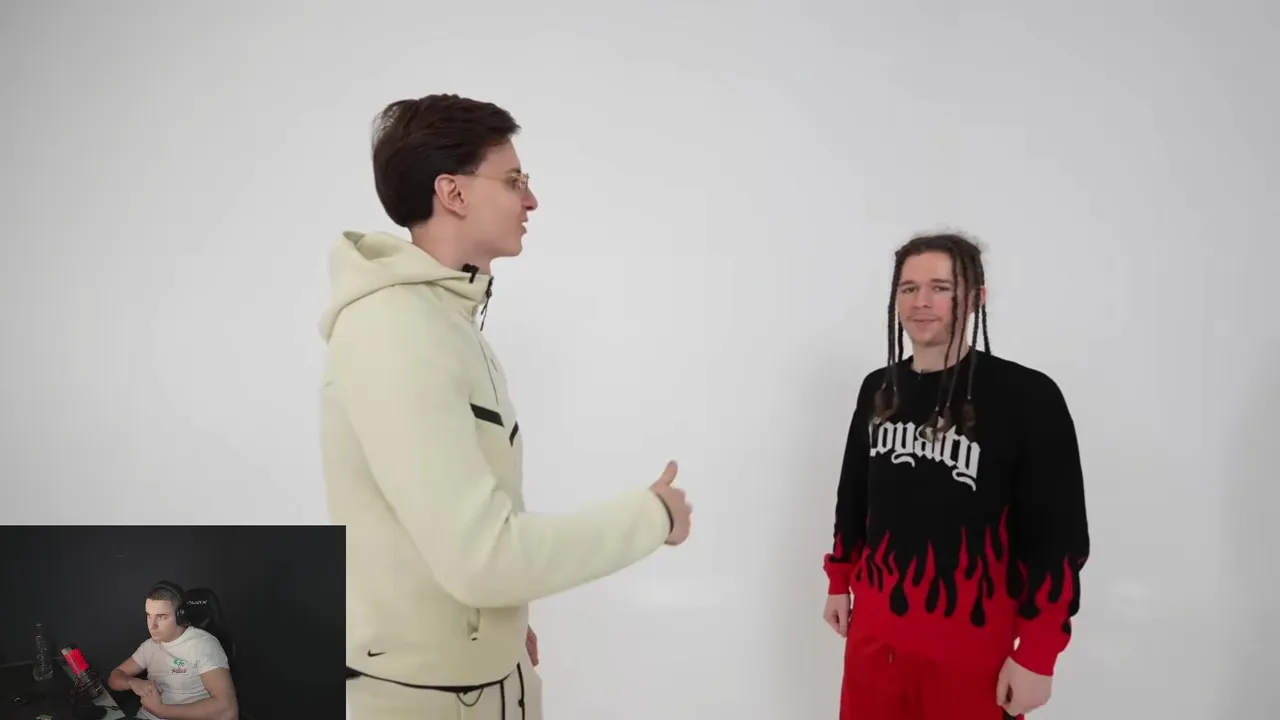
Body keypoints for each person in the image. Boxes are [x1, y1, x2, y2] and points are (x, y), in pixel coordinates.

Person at [320, 93, 694, 720]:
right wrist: (652, 517)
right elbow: (483, 559)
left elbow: (460, 533)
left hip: (483, 683)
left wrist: (500, 629)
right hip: (431, 701)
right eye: (514, 180)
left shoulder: (447, 324)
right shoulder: (394, 331)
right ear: (453, 193)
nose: (531, 200)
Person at [821, 232, 1090, 720]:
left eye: (940, 288)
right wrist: (839, 577)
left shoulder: (1028, 396)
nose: (921, 301)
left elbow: (1058, 537)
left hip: (971, 650)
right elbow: (854, 492)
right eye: (908, 288)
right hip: (875, 640)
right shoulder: (878, 389)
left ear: (976, 297)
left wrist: (1038, 653)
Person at [106, 581, 238, 720]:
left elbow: (228, 710)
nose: (152, 626)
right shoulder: (150, 645)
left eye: (162, 617)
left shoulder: (203, 645)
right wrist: (132, 682)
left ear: (181, 616)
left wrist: (162, 710)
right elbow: (114, 678)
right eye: (149, 615)